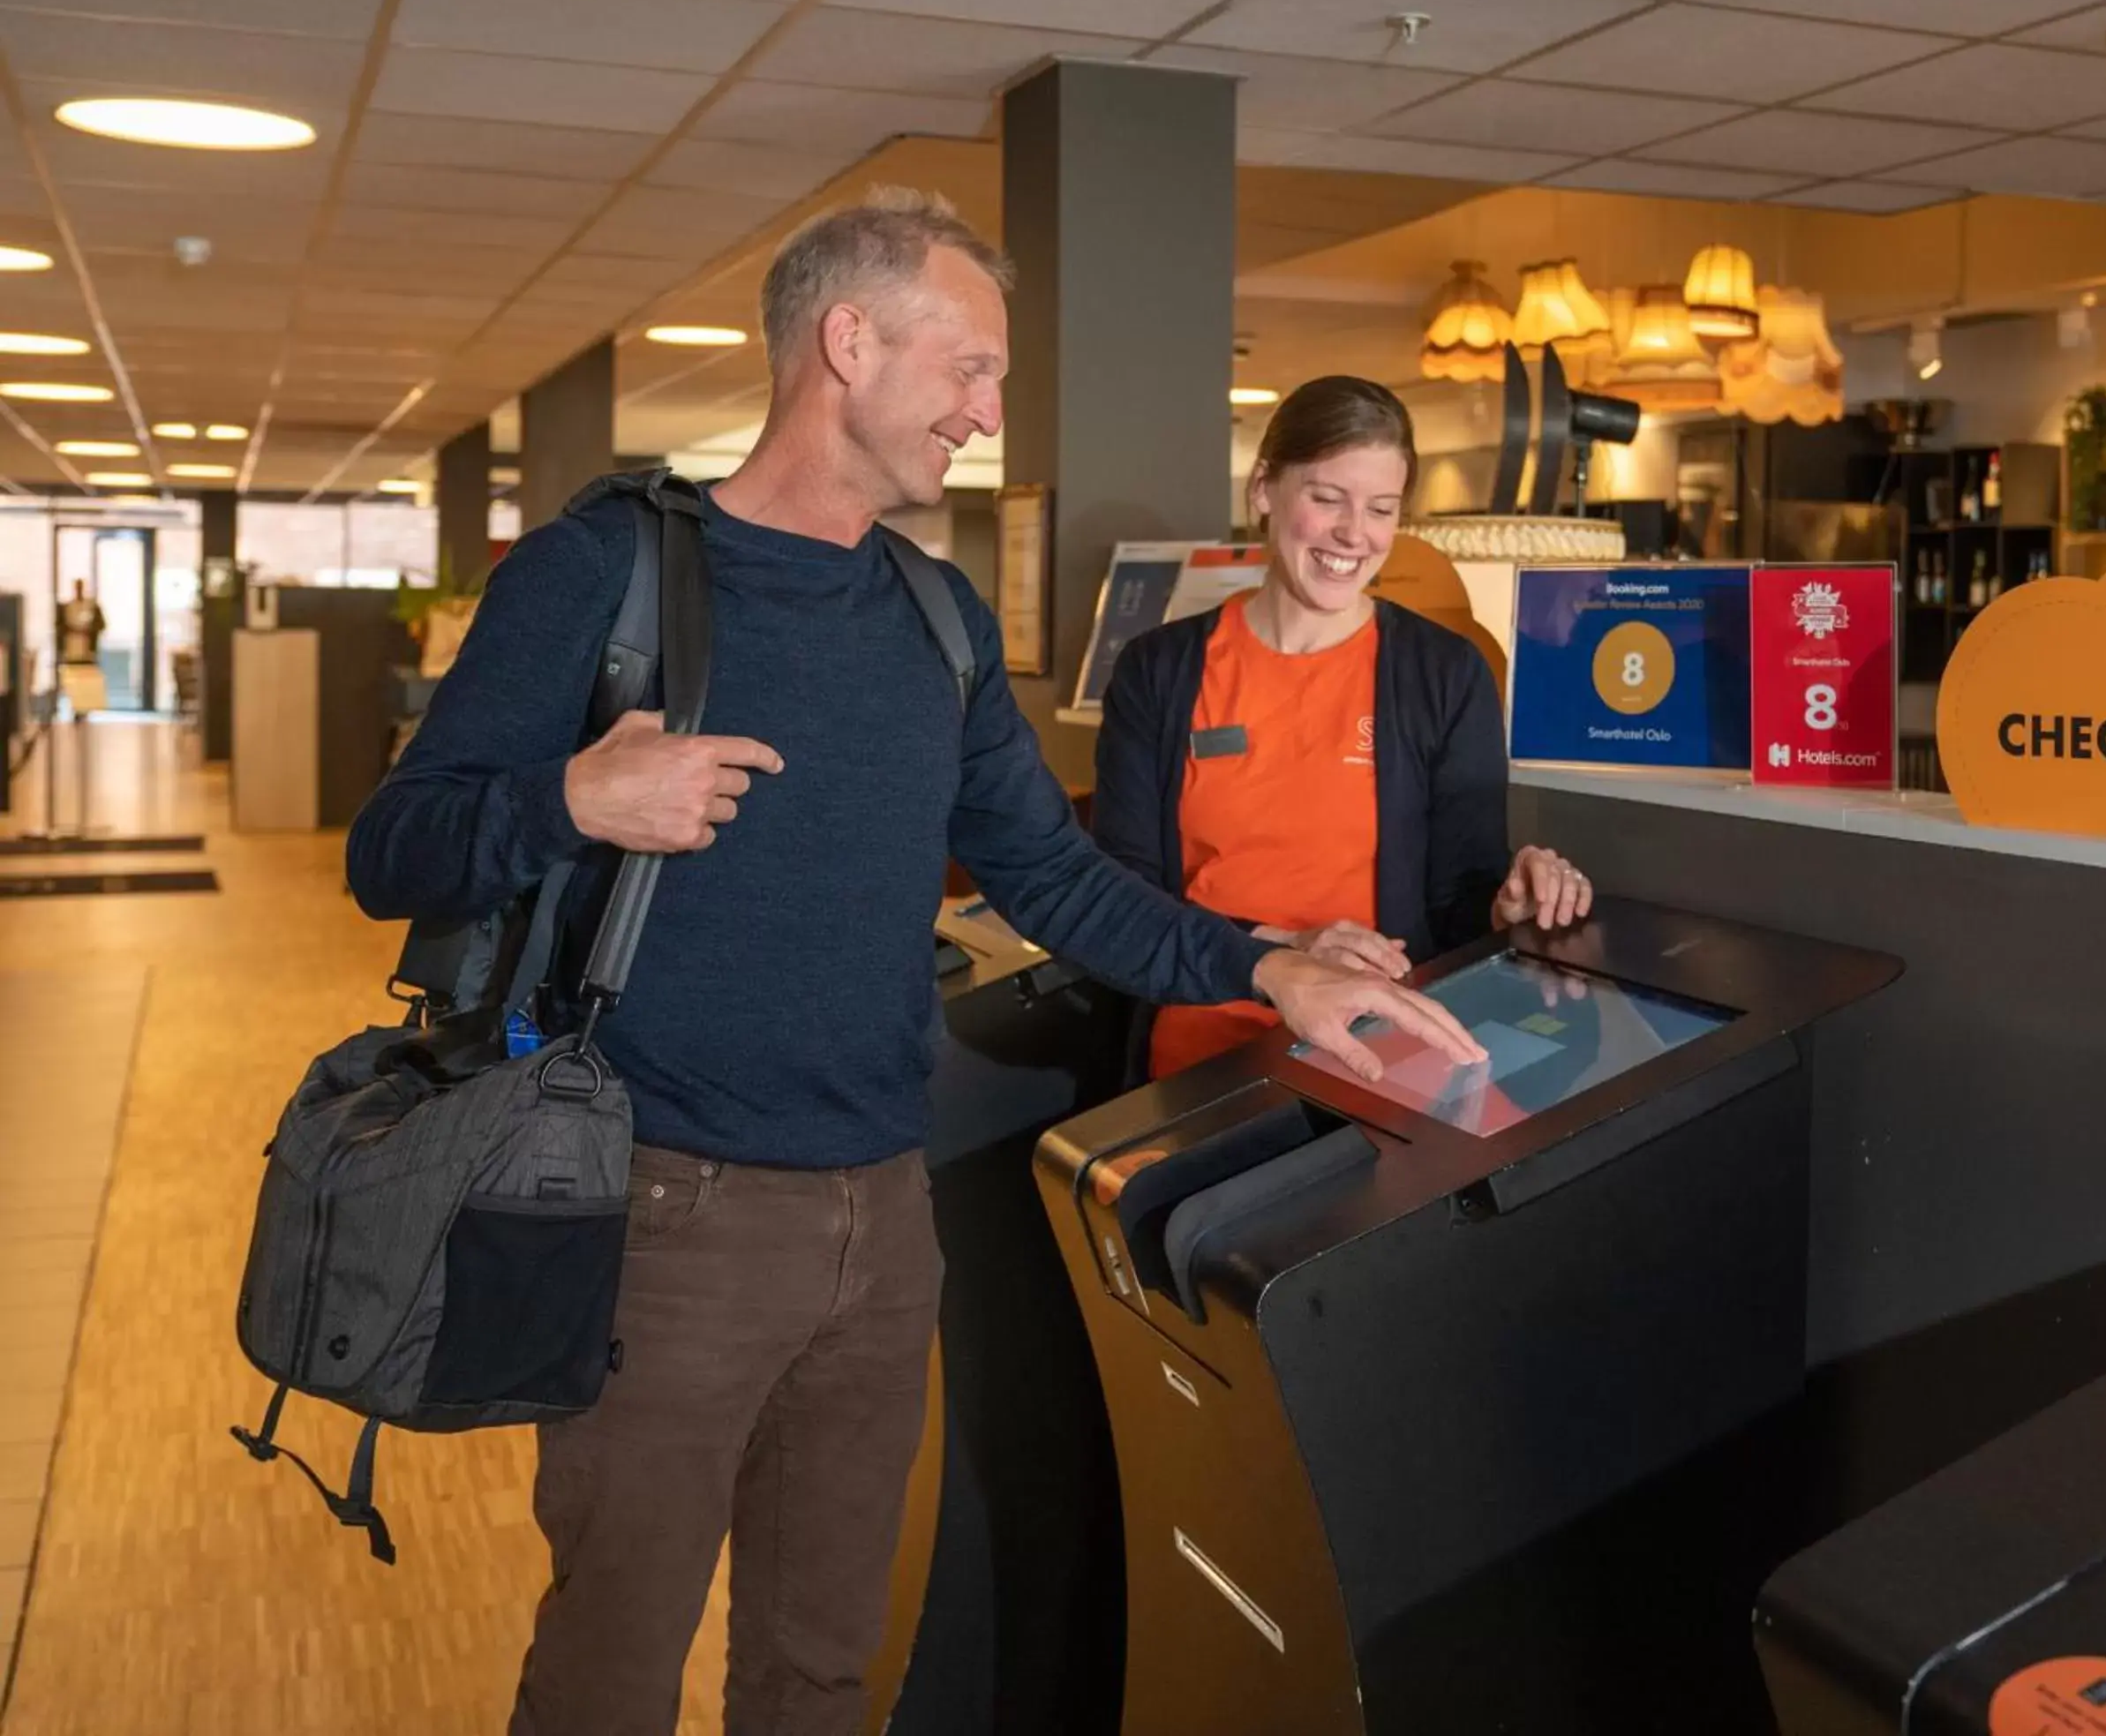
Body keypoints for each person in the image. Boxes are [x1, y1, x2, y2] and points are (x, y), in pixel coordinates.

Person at [344, 191, 1482, 1736]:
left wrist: (1274, 972)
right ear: (849, 340)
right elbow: (392, 848)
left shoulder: (934, 619)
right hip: (668, 1219)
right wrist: (573, 798)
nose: (989, 410)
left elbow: (1057, 876)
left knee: (821, 1669)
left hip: (883, 1225)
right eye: (971, 369)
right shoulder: (602, 573)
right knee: (613, 1668)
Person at [1094, 375, 1594, 1078]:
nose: (1354, 534)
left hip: (1380, 1060)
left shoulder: (1444, 674)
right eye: (1326, 498)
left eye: (1381, 508)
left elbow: (1458, 903)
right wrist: (1289, 947)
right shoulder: (1160, 672)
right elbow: (1122, 894)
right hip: (1199, 1058)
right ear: (1264, 489)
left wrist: (1507, 900)